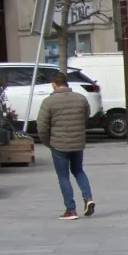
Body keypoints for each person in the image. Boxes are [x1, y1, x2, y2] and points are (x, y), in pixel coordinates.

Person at [36, 71, 95, 219]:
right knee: (79, 171)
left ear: (54, 84)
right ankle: (88, 199)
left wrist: (47, 142)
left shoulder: (48, 102)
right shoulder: (81, 99)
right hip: (78, 142)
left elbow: (42, 126)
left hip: (59, 144)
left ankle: (71, 210)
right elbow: (86, 116)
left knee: (63, 176)